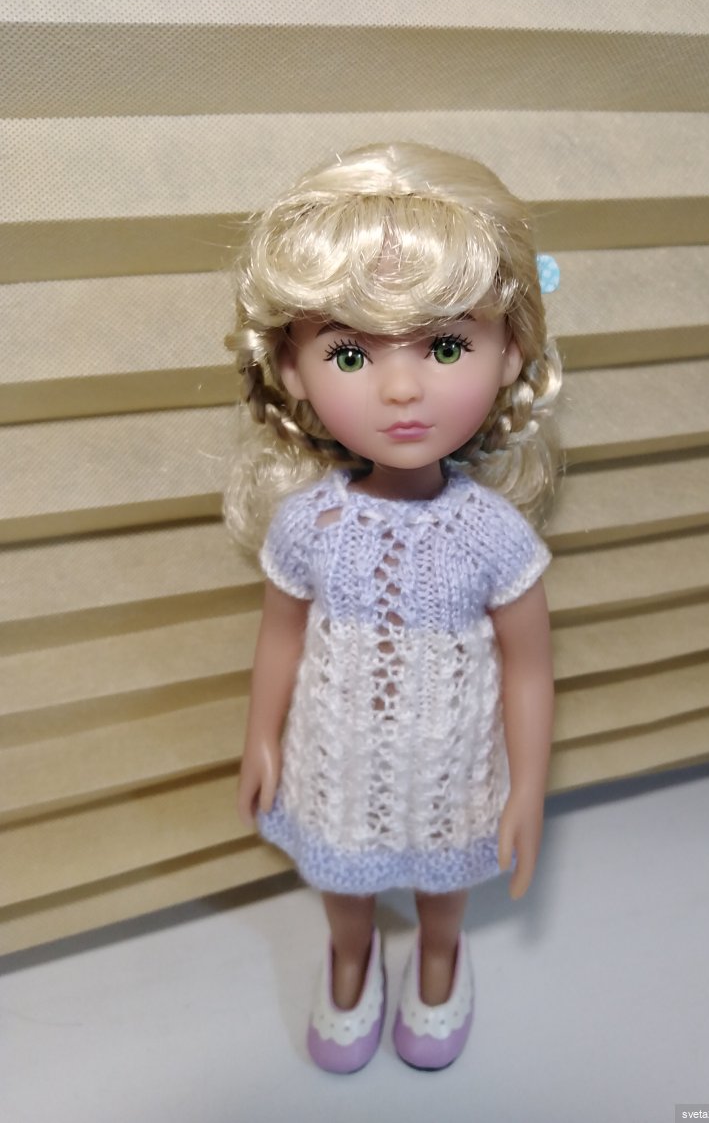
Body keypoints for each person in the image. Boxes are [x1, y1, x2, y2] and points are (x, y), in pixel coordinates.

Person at [225, 142, 561, 1073]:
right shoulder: (308, 525)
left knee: (445, 887)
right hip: (335, 762)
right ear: (292, 368)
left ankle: (441, 957)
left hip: (454, 767)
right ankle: (350, 957)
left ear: (510, 352)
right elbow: (280, 638)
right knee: (342, 881)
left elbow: (530, 669)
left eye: (446, 346)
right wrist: (261, 737)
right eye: (349, 353)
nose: (403, 388)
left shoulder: (492, 537)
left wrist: (528, 786)